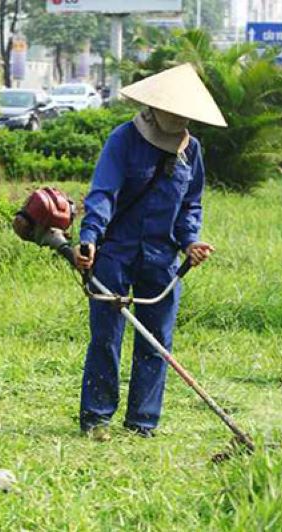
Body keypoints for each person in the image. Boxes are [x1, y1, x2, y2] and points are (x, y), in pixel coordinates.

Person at [74, 64, 226, 440]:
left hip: (161, 259)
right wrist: (90, 236)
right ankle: (97, 417)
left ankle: (142, 422)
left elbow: (190, 204)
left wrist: (191, 242)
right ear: (154, 109)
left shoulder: (193, 152)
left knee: (156, 341)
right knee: (106, 337)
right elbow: (103, 193)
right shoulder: (123, 139)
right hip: (115, 254)